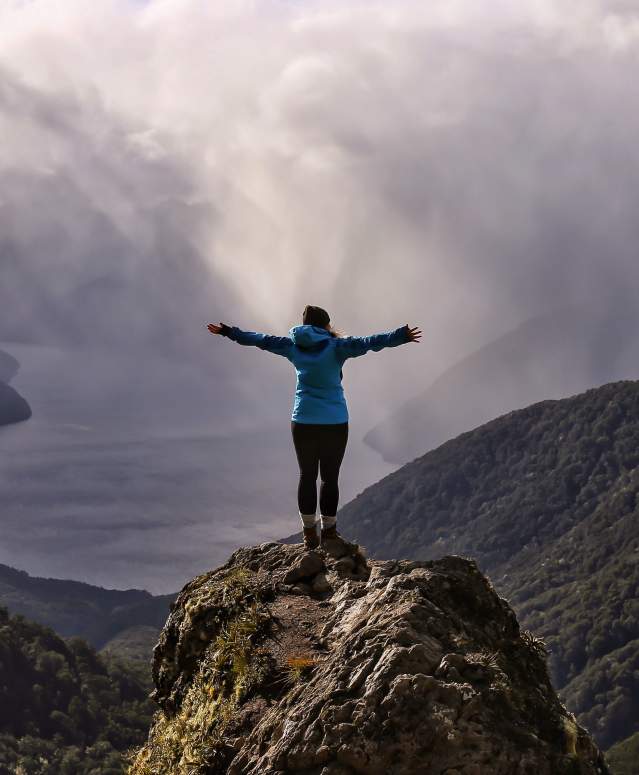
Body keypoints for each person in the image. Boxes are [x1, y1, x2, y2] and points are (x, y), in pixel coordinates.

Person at [207, 305, 421, 551]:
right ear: (326, 325)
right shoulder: (337, 346)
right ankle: (329, 534)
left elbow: (259, 340)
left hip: (303, 421)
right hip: (335, 422)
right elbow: (369, 342)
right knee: (330, 479)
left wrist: (228, 331)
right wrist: (400, 336)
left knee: (306, 476)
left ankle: (309, 535)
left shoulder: (291, 346)